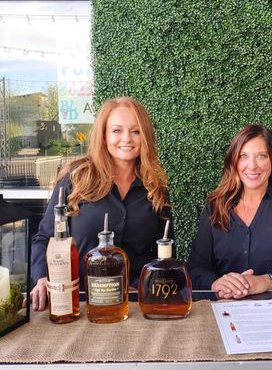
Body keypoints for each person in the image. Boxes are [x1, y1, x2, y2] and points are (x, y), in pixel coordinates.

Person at [30, 96, 172, 310]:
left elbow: (165, 253)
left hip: (135, 303)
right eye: (117, 131)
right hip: (79, 303)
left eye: (135, 131)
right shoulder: (76, 179)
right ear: (104, 136)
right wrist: (42, 277)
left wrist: (142, 285)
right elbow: (45, 238)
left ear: (146, 137)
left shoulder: (156, 189)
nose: (127, 139)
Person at [188, 124, 272, 299]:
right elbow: (194, 268)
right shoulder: (214, 207)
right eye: (243, 156)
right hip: (224, 310)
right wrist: (215, 283)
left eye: (261, 156)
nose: (252, 166)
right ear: (234, 162)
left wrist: (268, 280)